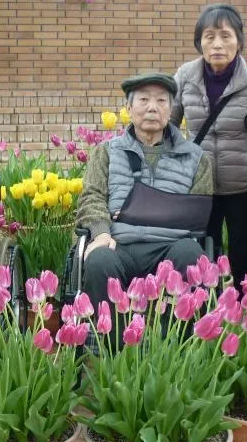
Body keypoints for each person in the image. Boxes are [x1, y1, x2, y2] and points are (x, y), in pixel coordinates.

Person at [78, 73, 214, 348]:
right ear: (128, 109)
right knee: (99, 261)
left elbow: (199, 214)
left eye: (161, 100)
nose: (152, 107)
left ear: (171, 110)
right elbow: (91, 197)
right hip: (120, 243)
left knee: (191, 256)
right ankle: (115, 355)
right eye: (143, 100)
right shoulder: (106, 152)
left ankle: (173, 351)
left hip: (171, 246)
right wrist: (101, 233)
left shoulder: (196, 158)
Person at [172, 4, 247, 289]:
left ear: (239, 41)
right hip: (201, 185)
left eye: (226, 36)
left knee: (243, 254)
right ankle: (210, 313)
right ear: (199, 42)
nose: (217, 44)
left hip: (243, 186)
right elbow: (168, 123)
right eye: (209, 36)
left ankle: (246, 312)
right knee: (206, 254)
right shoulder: (184, 77)